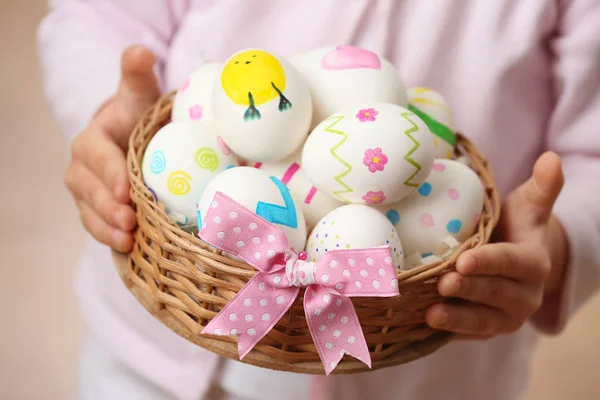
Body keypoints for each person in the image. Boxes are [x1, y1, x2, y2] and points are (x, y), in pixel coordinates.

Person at [37, 1, 600, 399]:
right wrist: (106, 107)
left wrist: (559, 239)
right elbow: (96, 16)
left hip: (431, 358)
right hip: (157, 350)